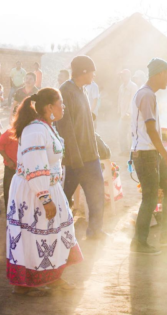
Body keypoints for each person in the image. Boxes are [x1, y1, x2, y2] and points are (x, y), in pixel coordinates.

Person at [6, 88, 83, 295]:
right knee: (36, 235)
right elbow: (35, 164)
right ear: (49, 107)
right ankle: (26, 284)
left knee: (51, 234)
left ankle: (52, 277)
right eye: (61, 102)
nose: (63, 106)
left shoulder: (46, 127)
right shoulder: (35, 130)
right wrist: (45, 197)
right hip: (34, 192)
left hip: (47, 187)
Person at [130, 58, 167, 255]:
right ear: (159, 73)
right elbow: (151, 131)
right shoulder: (146, 95)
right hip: (146, 154)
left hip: (151, 153)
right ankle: (139, 243)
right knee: (150, 198)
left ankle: (166, 235)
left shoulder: (148, 94)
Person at [56, 55, 106, 240]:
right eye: (92, 71)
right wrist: (75, 159)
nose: (94, 74)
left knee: (97, 194)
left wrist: (96, 148)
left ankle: (95, 232)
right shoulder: (66, 91)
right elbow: (66, 128)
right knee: (63, 197)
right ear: (83, 72)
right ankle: (56, 232)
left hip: (90, 156)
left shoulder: (82, 90)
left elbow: (87, 125)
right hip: (75, 159)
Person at [118, 69, 138, 155]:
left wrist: (129, 112)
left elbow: (133, 100)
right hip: (123, 114)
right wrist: (119, 111)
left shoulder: (133, 86)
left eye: (123, 75)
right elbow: (119, 99)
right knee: (121, 132)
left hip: (131, 114)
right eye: (121, 75)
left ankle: (132, 151)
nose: (122, 77)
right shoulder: (121, 87)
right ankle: (124, 150)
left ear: (128, 76)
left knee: (131, 134)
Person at [0, 128, 18, 210]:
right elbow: (0, 144)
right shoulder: (10, 132)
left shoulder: (30, 132)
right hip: (11, 168)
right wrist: (8, 160)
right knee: (8, 192)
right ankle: (9, 215)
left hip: (23, 170)